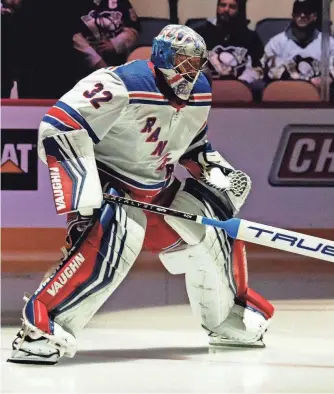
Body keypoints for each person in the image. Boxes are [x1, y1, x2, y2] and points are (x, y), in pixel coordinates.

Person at [7, 24, 274, 365]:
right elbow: (59, 125)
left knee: (217, 224)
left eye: (196, 63)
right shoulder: (121, 83)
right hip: (112, 190)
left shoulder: (201, 91)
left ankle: (227, 319)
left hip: (158, 193)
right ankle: (41, 331)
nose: (189, 71)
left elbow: (193, 144)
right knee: (117, 235)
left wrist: (215, 170)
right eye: (182, 61)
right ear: (162, 56)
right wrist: (84, 196)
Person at [262, 0, 334, 88]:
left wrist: (324, 80)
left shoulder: (329, 43)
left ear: (314, 16)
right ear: (293, 16)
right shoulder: (276, 42)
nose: (302, 15)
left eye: (307, 12)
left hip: (317, 93)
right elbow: (268, 72)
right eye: (298, 12)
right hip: (285, 91)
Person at [192, 0, 264, 88]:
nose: (226, 9)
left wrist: (241, 84)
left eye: (232, 7)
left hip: (240, 89)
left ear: (239, 10)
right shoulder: (201, 33)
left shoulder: (251, 37)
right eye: (222, 5)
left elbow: (257, 69)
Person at [73, 0, 140, 75]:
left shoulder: (121, 2)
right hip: (87, 69)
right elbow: (75, 38)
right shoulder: (74, 5)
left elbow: (134, 27)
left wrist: (115, 44)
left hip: (121, 64)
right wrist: (98, 63)